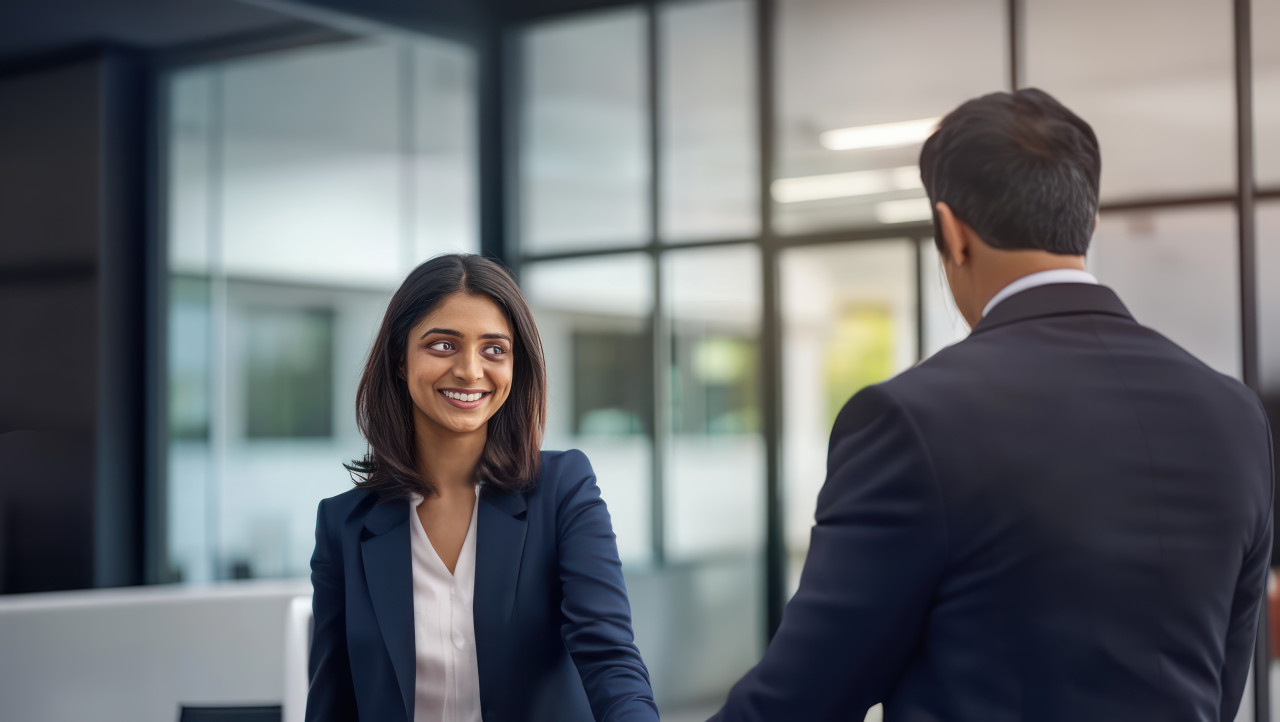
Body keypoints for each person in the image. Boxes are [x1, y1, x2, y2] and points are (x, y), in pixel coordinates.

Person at [710, 89, 1274, 721]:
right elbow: (1223, 686)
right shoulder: (1236, 415)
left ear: (952, 231)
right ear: (1086, 222)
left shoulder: (911, 420)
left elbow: (802, 700)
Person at [305, 254, 658, 722]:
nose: (471, 371)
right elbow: (332, 704)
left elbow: (610, 658)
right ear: (398, 360)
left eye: (494, 349)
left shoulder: (562, 490)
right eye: (443, 345)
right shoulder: (343, 526)